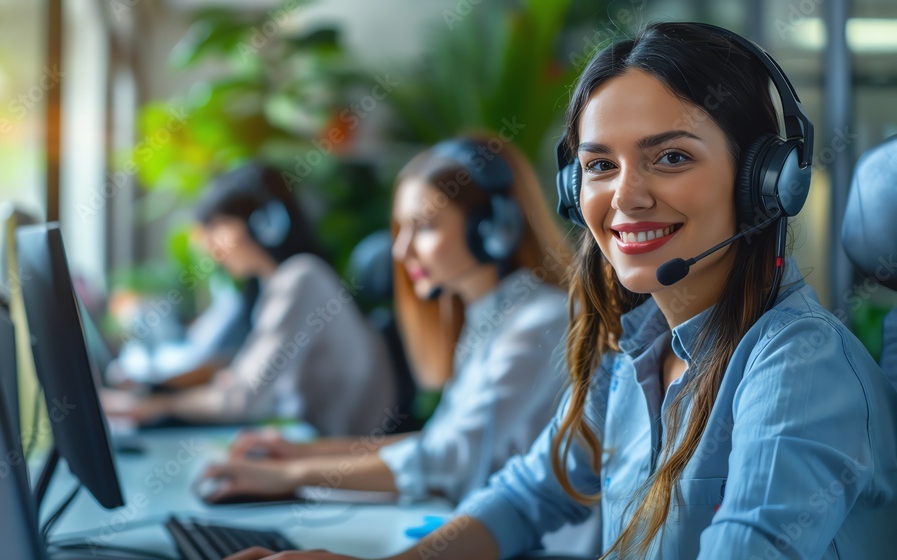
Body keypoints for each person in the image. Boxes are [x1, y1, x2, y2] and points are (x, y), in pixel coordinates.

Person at [223, 22, 897, 560]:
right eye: (600, 165)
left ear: (765, 183)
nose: (625, 197)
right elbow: (526, 495)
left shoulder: (798, 369)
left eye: (672, 157)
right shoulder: (631, 349)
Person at [197, 134, 572, 505]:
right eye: (399, 228)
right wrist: (299, 454)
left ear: (491, 229)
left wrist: (288, 477)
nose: (400, 249)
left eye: (423, 227)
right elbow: (437, 441)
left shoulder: (540, 321)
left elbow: (450, 459)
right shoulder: (487, 318)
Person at [101, 162, 396, 437]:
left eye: (217, 225)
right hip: (314, 446)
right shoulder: (278, 287)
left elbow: (242, 400)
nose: (209, 245)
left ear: (264, 223)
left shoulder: (301, 279)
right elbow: (247, 385)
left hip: (338, 460)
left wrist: (154, 407)